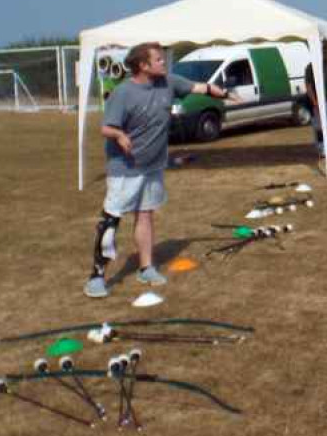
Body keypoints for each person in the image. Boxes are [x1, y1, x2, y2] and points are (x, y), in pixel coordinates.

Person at [84, 42, 240, 298]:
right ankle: (96, 277)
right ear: (143, 66)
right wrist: (120, 135)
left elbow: (201, 87)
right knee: (111, 222)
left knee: (145, 214)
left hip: (153, 165)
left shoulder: (169, 82)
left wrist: (224, 94)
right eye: (157, 60)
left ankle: (146, 268)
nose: (163, 63)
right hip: (125, 167)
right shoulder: (123, 93)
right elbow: (106, 128)